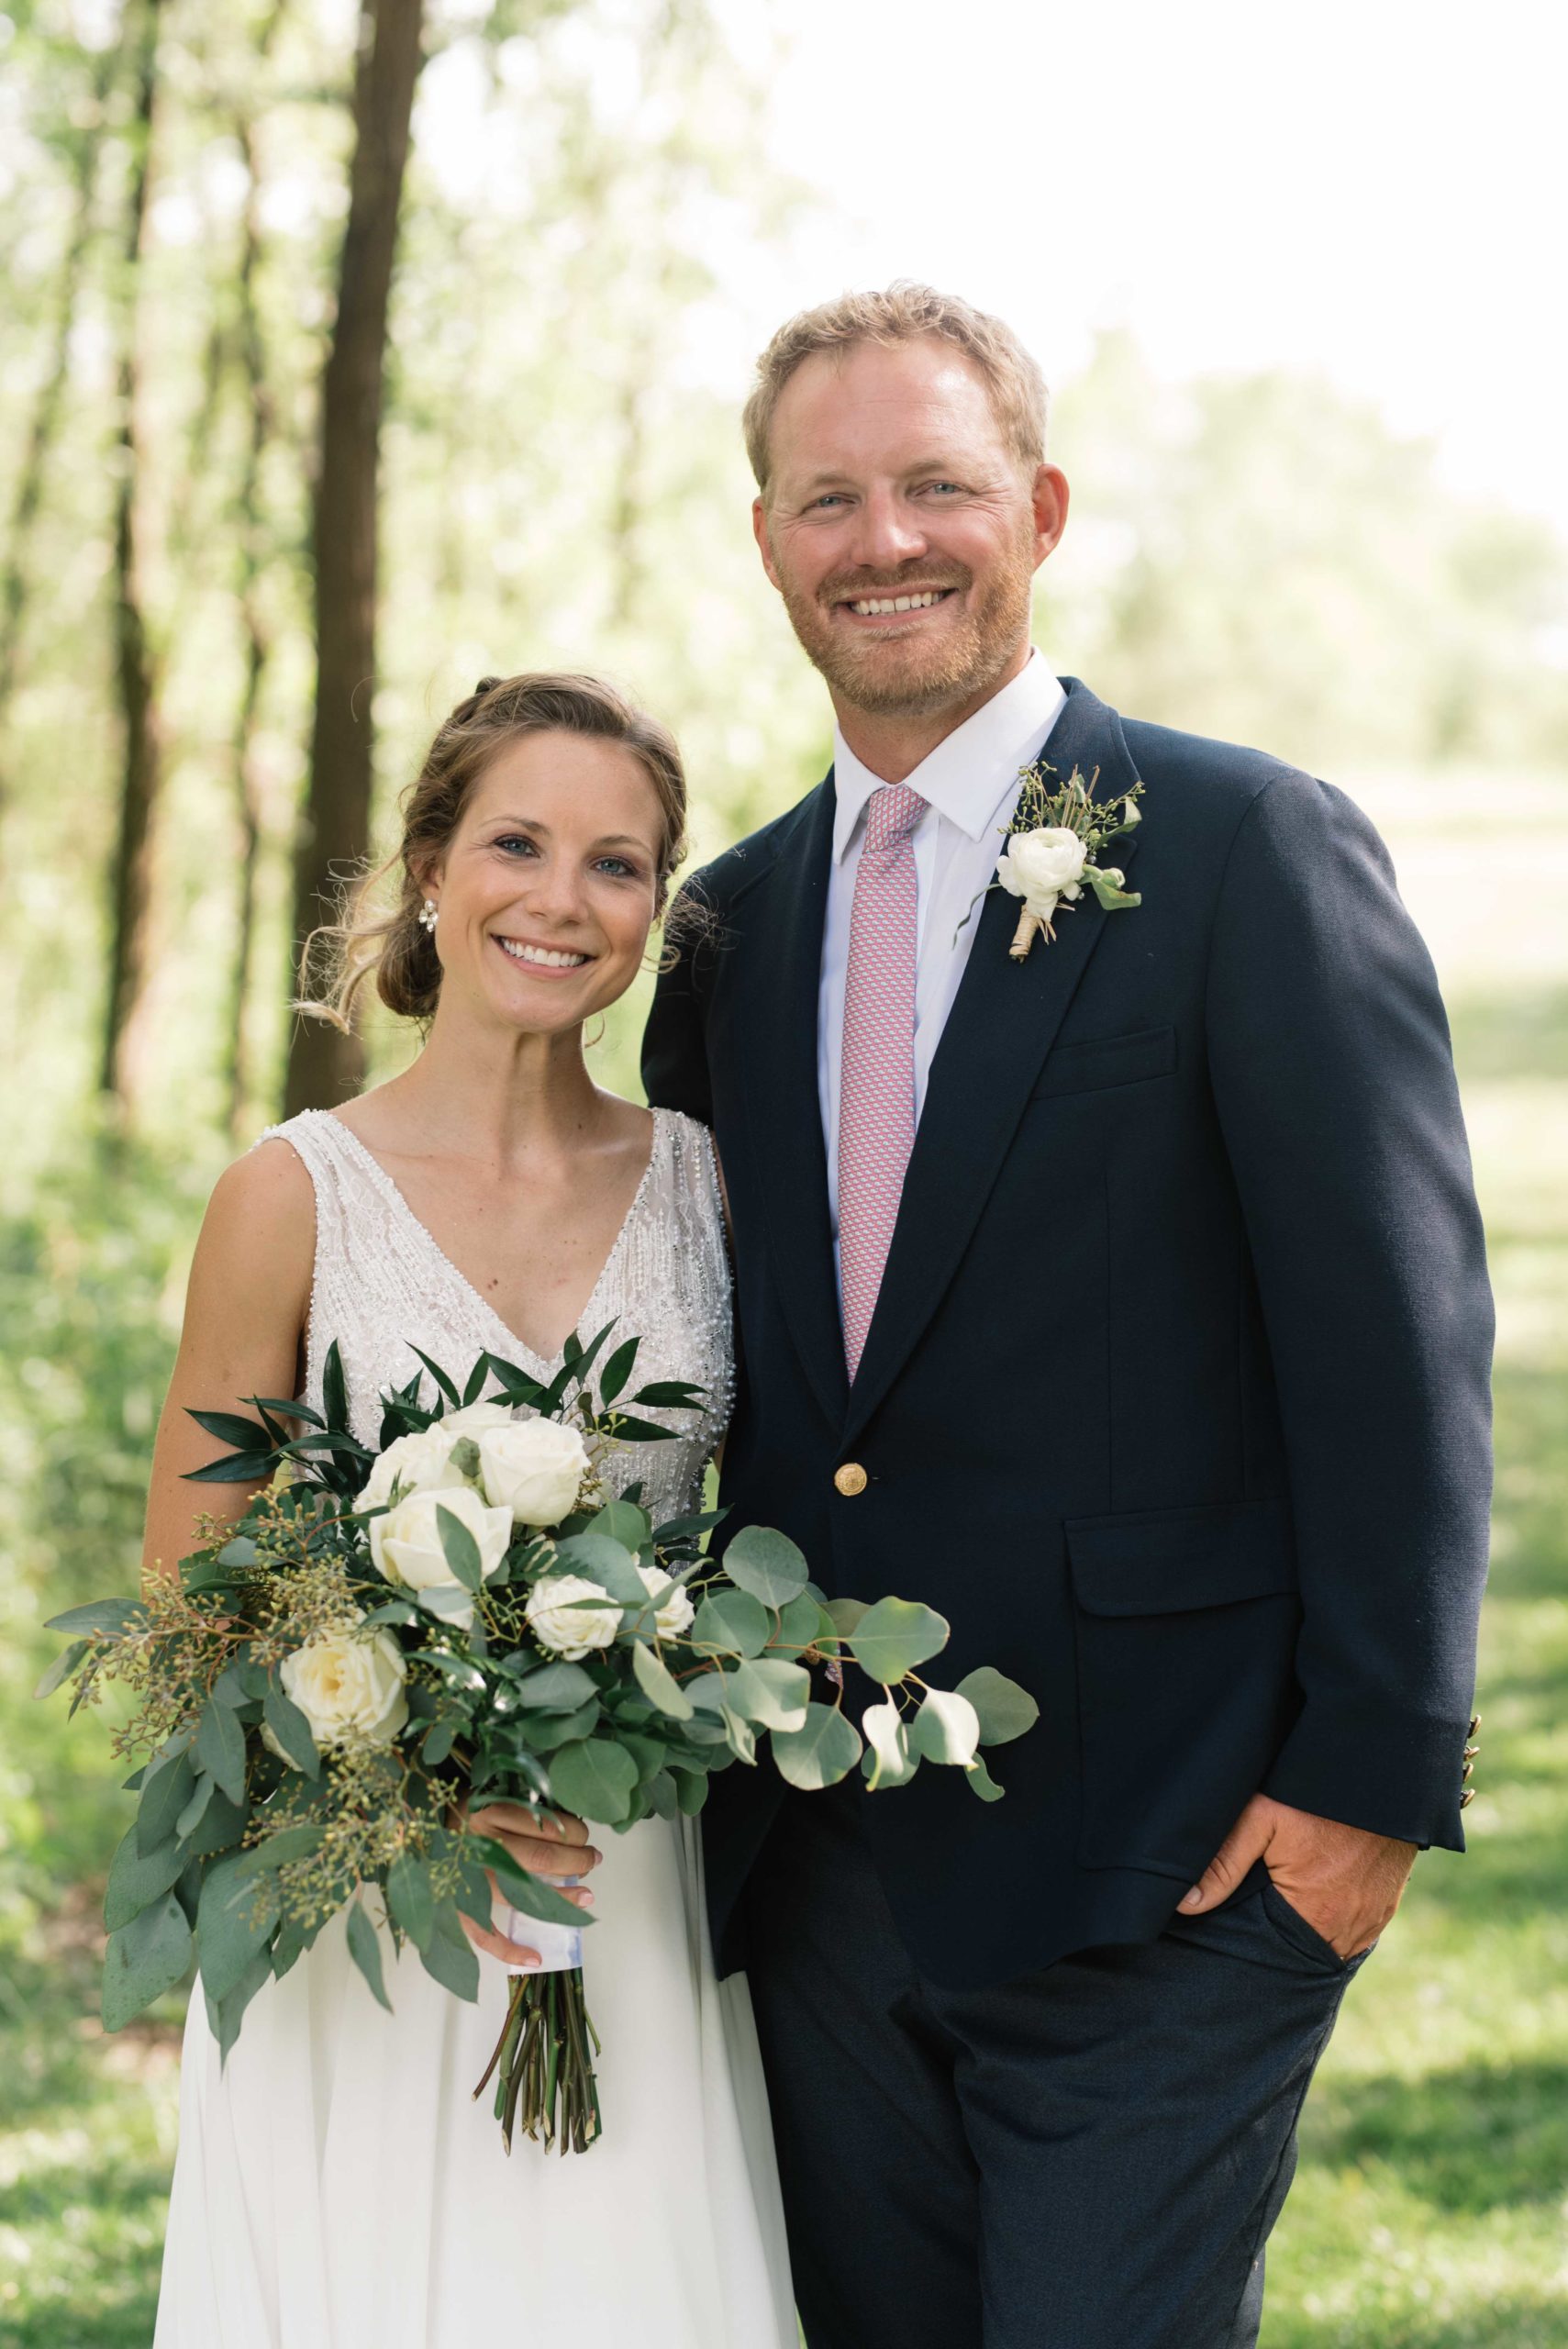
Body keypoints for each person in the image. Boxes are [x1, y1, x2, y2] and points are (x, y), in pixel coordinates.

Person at [642, 284, 1494, 2348]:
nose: (886, 539)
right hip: (819, 1875)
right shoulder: (725, 931)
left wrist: (1370, 1787)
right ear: (766, 539)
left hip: (1178, 1857)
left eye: (937, 483)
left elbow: (1399, 1339)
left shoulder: (1242, 849)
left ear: (1036, 505)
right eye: (829, 497)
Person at [148, 674, 795, 2349]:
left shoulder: (708, 1184)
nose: (562, 900)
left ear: (657, 907)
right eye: (517, 842)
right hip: (371, 1910)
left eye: (618, 863)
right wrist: (409, 1802)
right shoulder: (290, 1197)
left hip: (628, 1878)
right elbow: (191, 1595)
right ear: (430, 868)